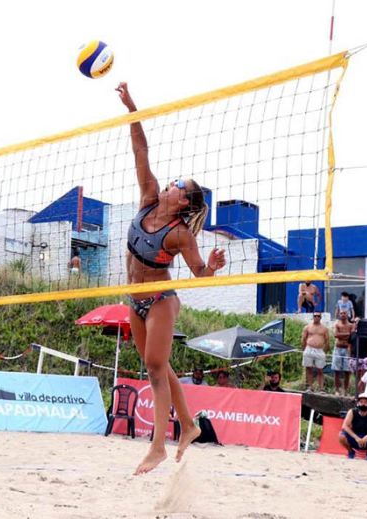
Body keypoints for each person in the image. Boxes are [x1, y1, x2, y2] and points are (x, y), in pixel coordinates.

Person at [117, 82, 227, 474]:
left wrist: (211, 266)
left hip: (161, 298)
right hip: (136, 299)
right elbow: (140, 150)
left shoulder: (180, 232)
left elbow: (198, 271)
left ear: (183, 201)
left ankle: (158, 445)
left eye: (179, 185)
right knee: (159, 366)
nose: (171, 183)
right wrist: (133, 110)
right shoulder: (148, 197)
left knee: (154, 368)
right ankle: (190, 425)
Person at [338, 393, 367, 461]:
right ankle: (351, 452)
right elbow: (344, 426)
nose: (363, 404)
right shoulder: (352, 412)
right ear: (358, 403)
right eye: (361, 402)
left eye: (366, 402)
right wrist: (356, 437)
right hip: (355, 437)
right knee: (341, 436)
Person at [301, 312, 330, 392]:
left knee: (320, 369)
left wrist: (325, 350)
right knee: (308, 368)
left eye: (318, 316)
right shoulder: (307, 327)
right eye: (315, 316)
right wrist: (304, 349)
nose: (316, 317)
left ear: (320, 317)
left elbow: (327, 340)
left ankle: (321, 388)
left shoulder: (324, 328)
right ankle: (309, 387)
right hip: (309, 348)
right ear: (313, 317)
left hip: (319, 350)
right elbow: (303, 338)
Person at [332, 310, 354, 396]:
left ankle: (345, 390)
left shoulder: (351, 325)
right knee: (336, 370)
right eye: (341, 313)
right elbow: (336, 335)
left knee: (347, 371)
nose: (343, 315)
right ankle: (337, 390)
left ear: (347, 314)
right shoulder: (337, 324)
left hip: (347, 349)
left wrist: (342, 334)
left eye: (344, 313)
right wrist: (346, 334)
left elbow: (351, 335)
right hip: (338, 348)